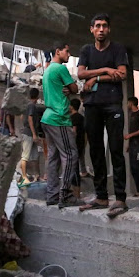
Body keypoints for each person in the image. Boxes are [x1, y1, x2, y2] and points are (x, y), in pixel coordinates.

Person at [77, 13, 130, 218]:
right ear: (92, 29)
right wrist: (108, 70)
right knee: (96, 151)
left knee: (116, 150)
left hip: (113, 105)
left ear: (109, 29)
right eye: (97, 26)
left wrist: (97, 76)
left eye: (104, 26)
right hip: (92, 105)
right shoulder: (86, 50)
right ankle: (100, 197)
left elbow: (123, 74)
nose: (101, 29)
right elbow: (81, 74)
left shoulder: (118, 49)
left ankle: (120, 198)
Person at [41, 41, 82, 208]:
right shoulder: (60, 68)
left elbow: (68, 89)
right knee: (71, 155)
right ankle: (64, 194)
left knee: (53, 157)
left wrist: (68, 88)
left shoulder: (48, 70)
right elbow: (75, 88)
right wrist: (71, 88)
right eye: (67, 51)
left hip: (47, 118)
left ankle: (52, 194)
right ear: (58, 52)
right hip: (59, 118)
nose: (69, 54)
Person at [18, 88, 41, 186]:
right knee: (25, 156)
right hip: (29, 134)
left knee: (35, 156)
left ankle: (37, 175)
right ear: (37, 96)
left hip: (29, 133)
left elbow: (22, 117)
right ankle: (23, 177)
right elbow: (30, 119)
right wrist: (34, 134)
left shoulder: (27, 105)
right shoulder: (31, 106)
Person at [69, 98, 89, 179]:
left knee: (75, 159)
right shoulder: (82, 117)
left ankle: (75, 174)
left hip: (75, 142)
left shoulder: (73, 118)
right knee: (81, 157)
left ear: (72, 107)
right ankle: (83, 171)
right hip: (81, 140)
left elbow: (74, 131)